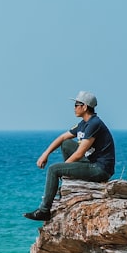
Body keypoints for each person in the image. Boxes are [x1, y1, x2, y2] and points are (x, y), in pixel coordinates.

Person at [24, 91, 116, 221]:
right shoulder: (83, 124)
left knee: (53, 169)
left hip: (100, 169)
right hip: (91, 163)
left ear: (84, 107)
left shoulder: (94, 124)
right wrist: (45, 154)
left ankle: (44, 211)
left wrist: (62, 169)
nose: (74, 108)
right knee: (66, 143)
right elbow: (62, 137)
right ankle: (68, 180)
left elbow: (79, 154)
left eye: (76, 104)